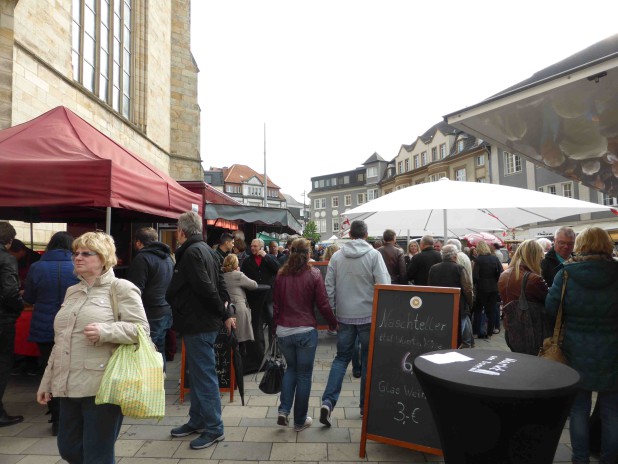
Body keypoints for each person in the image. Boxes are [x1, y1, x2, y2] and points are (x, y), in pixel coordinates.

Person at [37, 231, 149, 463]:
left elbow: (142, 331)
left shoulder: (121, 288)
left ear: (104, 258)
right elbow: (61, 341)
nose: (78, 257)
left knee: (97, 454)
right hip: (68, 384)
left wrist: (106, 331)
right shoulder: (72, 291)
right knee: (67, 448)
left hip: (103, 386)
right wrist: (47, 381)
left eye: (86, 253)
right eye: (76, 253)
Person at [545, 227, 618, 464]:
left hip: (575, 349)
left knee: (578, 409)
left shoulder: (565, 274)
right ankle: (609, 459)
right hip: (613, 351)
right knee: (612, 412)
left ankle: (580, 459)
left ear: (580, 245)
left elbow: (551, 309)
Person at [166, 212, 234, 450]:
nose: (176, 233)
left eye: (176, 228)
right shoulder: (206, 250)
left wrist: (225, 312)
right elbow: (220, 282)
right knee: (197, 375)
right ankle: (197, 420)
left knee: (204, 377)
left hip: (199, 323)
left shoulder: (193, 252)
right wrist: (225, 311)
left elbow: (207, 287)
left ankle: (214, 428)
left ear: (181, 232)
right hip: (200, 321)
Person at [320, 220, 390, 425]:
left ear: (350, 234)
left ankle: (328, 401)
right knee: (368, 362)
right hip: (369, 315)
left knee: (341, 359)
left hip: (344, 315)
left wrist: (332, 314)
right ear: (366, 234)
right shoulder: (373, 255)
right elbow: (384, 285)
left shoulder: (337, 256)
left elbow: (329, 288)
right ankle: (364, 406)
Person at [273, 238, 337, 432]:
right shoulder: (314, 274)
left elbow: (276, 304)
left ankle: (284, 410)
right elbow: (323, 304)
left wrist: (276, 325)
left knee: (291, 369)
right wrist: (333, 323)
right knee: (304, 375)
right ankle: (300, 420)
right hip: (305, 331)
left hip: (284, 329)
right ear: (308, 253)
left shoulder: (281, 275)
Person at [23, 231, 79, 435]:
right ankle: (70, 418)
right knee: (71, 371)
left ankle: (56, 418)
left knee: (49, 370)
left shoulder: (36, 267)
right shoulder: (77, 266)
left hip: (44, 325)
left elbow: (29, 296)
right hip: (71, 325)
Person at [126, 227, 174, 370]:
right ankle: (160, 382)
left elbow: (135, 290)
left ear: (139, 243)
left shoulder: (142, 258)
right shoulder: (167, 257)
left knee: (146, 352)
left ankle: (151, 386)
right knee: (159, 350)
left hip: (150, 312)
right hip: (166, 310)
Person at [498, 239, 548, 353]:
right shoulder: (534, 279)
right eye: (540, 258)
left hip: (511, 329)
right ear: (534, 257)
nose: (541, 261)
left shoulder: (504, 275)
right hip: (531, 331)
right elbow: (549, 302)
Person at [0, 221, 25, 427]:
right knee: (2, 364)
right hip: (2, 319)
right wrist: (17, 308)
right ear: (9, 241)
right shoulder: (6, 258)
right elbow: (10, 291)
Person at [428, 244, 474, 348]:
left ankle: (467, 343)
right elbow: (468, 289)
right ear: (454, 256)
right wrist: (470, 302)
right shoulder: (459, 268)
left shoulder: (433, 268)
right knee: (457, 332)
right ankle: (463, 346)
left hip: (439, 305)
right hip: (458, 306)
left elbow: (430, 287)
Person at [241, 238, 279, 342]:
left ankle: (274, 348)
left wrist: (266, 256)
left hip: (269, 297)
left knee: (272, 321)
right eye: (252, 246)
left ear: (261, 247)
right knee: (257, 324)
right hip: (254, 297)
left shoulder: (269, 258)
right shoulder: (247, 261)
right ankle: (259, 352)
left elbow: (278, 269)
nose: (252, 248)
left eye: (255, 246)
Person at [222, 253, 257, 343]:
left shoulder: (221, 275)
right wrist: (239, 271)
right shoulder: (238, 275)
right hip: (238, 309)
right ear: (236, 264)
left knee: (228, 340)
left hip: (226, 309)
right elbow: (254, 285)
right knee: (240, 341)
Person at [472, 240, 503, 338]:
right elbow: (501, 271)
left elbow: (475, 276)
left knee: (478, 310)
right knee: (492, 310)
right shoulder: (494, 258)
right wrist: (495, 280)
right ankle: (489, 332)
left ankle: (477, 331)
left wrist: (477, 284)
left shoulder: (478, 260)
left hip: (481, 288)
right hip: (493, 288)